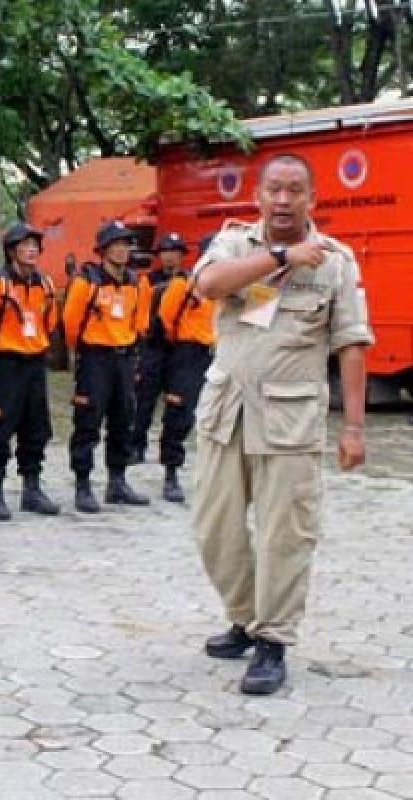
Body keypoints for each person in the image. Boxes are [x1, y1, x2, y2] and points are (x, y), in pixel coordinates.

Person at [191, 154, 372, 695]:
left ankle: (272, 640)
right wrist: (279, 257)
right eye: (275, 189)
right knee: (213, 529)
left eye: (296, 190)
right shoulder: (233, 245)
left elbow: (352, 344)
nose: (284, 199)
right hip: (226, 412)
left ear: (312, 199)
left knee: (283, 535)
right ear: (259, 196)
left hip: (291, 419)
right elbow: (209, 285)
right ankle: (246, 618)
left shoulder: (335, 262)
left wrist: (355, 427)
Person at [0, 223, 60, 519]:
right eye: (25, 245)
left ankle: (31, 488)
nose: (32, 250)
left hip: (35, 361)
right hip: (6, 363)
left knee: (36, 426)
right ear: (12, 251)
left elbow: (50, 322)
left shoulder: (45, 284)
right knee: (0, 426)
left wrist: (34, 343)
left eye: (35, 245)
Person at [62, 220, 151, 513]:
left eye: (126, 244)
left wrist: (131, 351)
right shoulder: (86, 282)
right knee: (88, 421)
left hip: (124, 357)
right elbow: (71, 324)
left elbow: (140, 322)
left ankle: (117, 481)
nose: (123, 250)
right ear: (102, 250)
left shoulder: (136, 283)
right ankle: (83, 484)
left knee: (123, 419)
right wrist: (87, 349)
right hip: (95, 358)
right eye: (116, 244)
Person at [150, 236, 217, 503]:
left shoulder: (233, 286)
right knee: (180, 414)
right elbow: (166, 318)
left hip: (222, 353)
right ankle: (171, 473)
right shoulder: (185, 285)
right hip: (189, 352)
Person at [129, 233, 189, 464]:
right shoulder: (148, 281)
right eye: (165, 253)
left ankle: (170, 448)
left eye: (174, 253)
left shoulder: (189, 280)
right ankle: (137, 445)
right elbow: (142, 311)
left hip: (180, 349)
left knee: (176, 402)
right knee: (144, 399)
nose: (169, 258)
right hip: (153, 347)